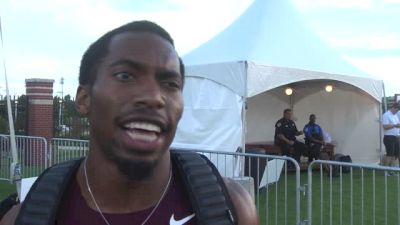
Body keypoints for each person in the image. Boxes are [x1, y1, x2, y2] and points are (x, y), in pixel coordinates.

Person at [0, 21, 258, 225]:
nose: (154, 97)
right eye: (125, 76)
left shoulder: (230, 208)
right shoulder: (28, 217)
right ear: (84, 99)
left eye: (170, 84)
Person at [382, 102, 400, 170]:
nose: (397, 111)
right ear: (393, 108)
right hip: (389, 137)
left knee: (395, 154)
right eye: (396, 110)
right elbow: (385, 126)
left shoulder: (395, 115)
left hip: (396, 137)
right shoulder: (386, 115)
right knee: (389, 154)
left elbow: (397, 125)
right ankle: (386, 170)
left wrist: (398, 126)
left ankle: (391, 170)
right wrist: (395, 125)